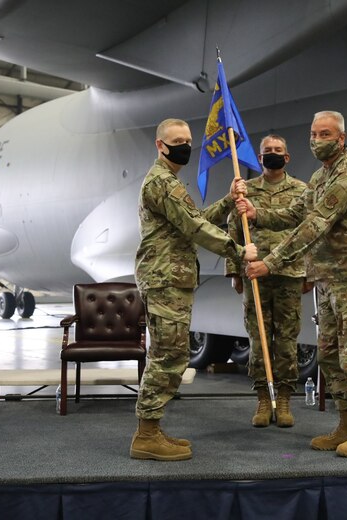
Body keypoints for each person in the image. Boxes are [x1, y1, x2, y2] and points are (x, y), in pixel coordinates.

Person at [238, 111, 347, 458]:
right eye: (313, 133)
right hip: (328, 282)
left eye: (325, 134)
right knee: (331, 357)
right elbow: (296, 214)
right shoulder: (321, 177)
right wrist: (258, 213)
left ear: (341, 139)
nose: (317, 140)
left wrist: (270, 262)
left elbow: (315, 224)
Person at [131, 118, 257, 461]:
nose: (185, 146)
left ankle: (153, 430)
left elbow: (193, 220)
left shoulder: (169, 181)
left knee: (172, 355)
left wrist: (229, 201)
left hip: (173, 279)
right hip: (165, 280)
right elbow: (195, 227)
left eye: (188, 140)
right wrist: (238, 250)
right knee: (167, 356)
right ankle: (145, 436)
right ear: (160, 145)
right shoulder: (161, 182)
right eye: (177, 141)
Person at [225, 134, 309, 428]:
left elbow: (309, 234)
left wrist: (308, 271)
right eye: (267, 151)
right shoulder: (246, 193)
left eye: (277, 151)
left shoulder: (302, 191)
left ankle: (284, 398)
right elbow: (234, 230)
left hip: (289, 273)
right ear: (259, 159)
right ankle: (263, 398)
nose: (272, 154)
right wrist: (234, 270)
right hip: (254, 276)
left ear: (287, 158)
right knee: (258, 339)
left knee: (286, 339)